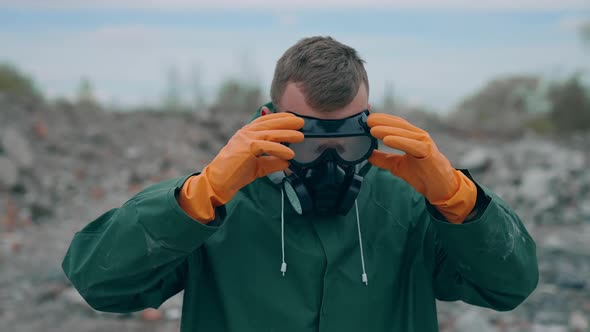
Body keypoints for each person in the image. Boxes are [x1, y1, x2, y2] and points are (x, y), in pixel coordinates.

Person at [62, 36, 538, 332]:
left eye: (349, 142)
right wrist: (196, 199)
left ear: (372, 126)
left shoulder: (411, 205)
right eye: (307, 143)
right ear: (270, 124)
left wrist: (459, 201)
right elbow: (101, 284)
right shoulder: (216, 203)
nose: (329, 163)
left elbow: (509, 287)